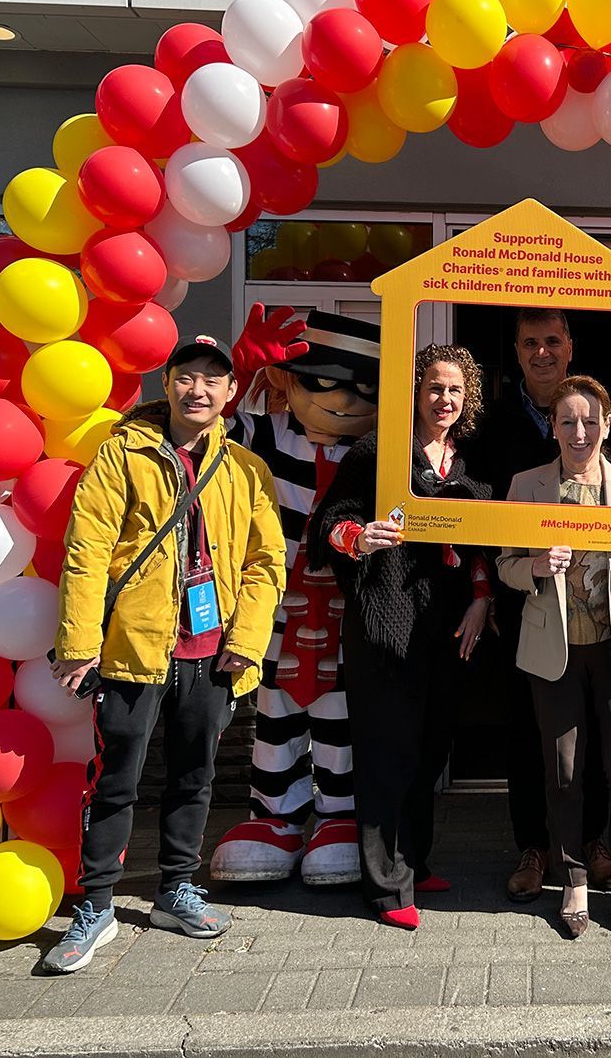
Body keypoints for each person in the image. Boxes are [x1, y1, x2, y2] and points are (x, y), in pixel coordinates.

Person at [41, 335, 286, 974]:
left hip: (212, 653)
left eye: (212, 380)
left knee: (196, 774)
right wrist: (78, 643)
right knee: (118, 778)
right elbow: (87, 549)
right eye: (186, 377)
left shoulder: (245, 470)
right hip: (131, 650)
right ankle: (95, 906)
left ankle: (177, 888)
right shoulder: (122, 455)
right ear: (168, 384)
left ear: (231, 393)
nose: (198, 390)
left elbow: (265, 563)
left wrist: (247, 639)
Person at [306, 344, 493, 930]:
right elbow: (324, 529)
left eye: (455, 390)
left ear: (469, 400)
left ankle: (414, 860)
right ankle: (386, 888)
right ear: (415, 392)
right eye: (435, 387)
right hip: (385, 624)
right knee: (389, 754)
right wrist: (359, 539)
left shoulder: (471, 466)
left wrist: (484, 598)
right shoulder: (376, 452)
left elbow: (484, 545)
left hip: (449, 628)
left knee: (430, 750)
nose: (444, 399)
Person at [497, 375, 611, 939]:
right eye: (568, 420)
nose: (580, 431)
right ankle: (573, 877)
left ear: (608, 425)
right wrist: (532, 568)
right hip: (554, 650)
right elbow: (505, 563)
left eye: (590, 420)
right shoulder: (526, 485)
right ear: (552, 425)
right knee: (563, 772)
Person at [211, 306, 381, 887]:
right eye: (322, 382)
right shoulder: (264, 435)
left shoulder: (381, 455)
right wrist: (232, 375)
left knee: (342, 714)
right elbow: (202, 439)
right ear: (289, 380)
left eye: (366, 388)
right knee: (275, 707)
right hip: (276, 603)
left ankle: (338, 816)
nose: (345, 401)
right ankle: (275, 817)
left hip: (345, 607)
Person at [467, 308, 611, 902]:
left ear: (570, 346)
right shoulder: (491, 424)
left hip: (596, 606)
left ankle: (595, 841)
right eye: (531, 342)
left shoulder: (600, 417)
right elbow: (476, 515)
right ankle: (532, 846)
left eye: (552, 340)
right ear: (518, 349)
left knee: (600, 733)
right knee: (527, 733)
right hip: (523, 599)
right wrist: (487, 590)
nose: (542, 352)